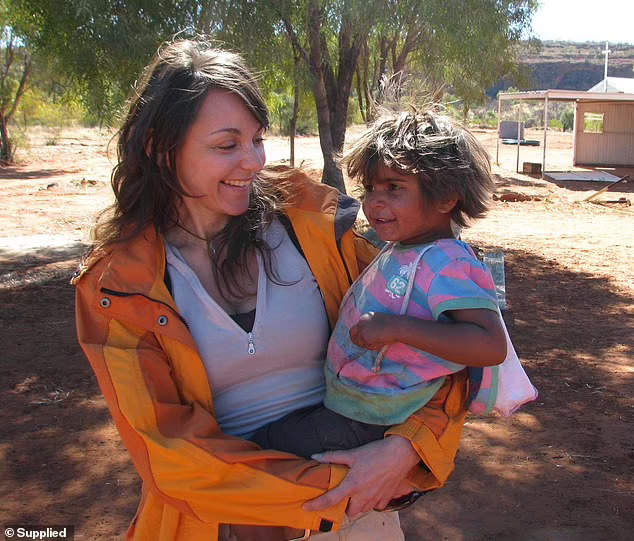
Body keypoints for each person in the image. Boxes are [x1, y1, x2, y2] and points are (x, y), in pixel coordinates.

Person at [73, 39, 470, 541]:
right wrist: (336, 487)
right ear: (158, 147)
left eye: (257, 139)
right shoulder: (117, 286)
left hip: (364, 512)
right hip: (237, 520)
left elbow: (444, 348)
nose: (253, 161)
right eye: (226, 145)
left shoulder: (313, 225)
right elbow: (168, 451)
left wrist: (405, 449)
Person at [251, 109, 507, 462]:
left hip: (375, 416)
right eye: (370, 188)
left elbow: (490, 345)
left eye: (394, 188)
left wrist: (397, 329)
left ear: (446, 197)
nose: (374, 202)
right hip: (355, 403)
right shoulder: (403, 247)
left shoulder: (447, 263)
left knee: (264, 445)